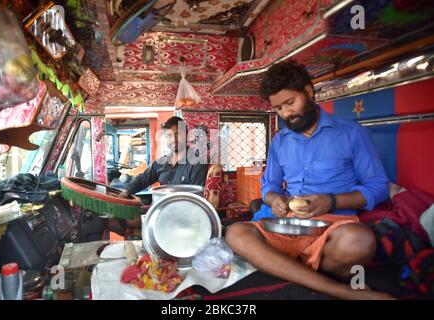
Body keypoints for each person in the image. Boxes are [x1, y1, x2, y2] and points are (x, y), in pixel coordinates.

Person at [225, 61, 394, 299]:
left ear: (308, 92)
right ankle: (338, 289)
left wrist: (331, 202)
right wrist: (274, 200)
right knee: (235, 234)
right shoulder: (279, 141)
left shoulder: (352, 133)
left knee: (360, 241)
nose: (286, 114)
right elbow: (269, 186)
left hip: (333, 229)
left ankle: (286, 268)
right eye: (278, 108)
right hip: (287, 226)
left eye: (290, 103)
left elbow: (378, 188)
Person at [109, 116, 209, 236]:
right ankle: (139, 236)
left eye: (177, 134)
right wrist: (126, 192)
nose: (173, 140)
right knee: (112, 219)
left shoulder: (196, 163)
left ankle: (145, 235)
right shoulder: (162, 162)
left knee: (125, 220)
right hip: (159, 210)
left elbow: (196, 200)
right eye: (169, 136)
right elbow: (144, 178)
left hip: (180, 217)